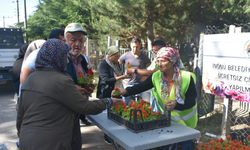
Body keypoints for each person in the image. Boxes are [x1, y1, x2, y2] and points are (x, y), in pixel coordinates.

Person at [16, 39, 122, 150]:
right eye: (64, 56)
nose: (67, 61)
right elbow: (85, 107)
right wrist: (109, 102)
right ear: (56, 57)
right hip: (51, 143)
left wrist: (22, 136)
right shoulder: (61, 80)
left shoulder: (30, 79)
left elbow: (20, 116)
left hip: (26, 140)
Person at [115, 47, 198, 150]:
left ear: (172, 61)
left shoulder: (187, 77)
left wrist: (177, 104)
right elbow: (141, 86)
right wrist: (125, 91)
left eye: (163, 61)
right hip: (168, 122)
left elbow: (192, 100)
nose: (159, 64)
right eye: (158, 61)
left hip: (187, 125)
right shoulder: (156, 76)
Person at [64, 23, 95, 149]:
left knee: (76, 143)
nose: (78, 44)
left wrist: (88, 87)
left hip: (76, 111)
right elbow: (50, 84)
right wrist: (72, 88)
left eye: (81, 40)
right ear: (64, 40)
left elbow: (84, 79)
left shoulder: (83, 60)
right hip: (62, 114)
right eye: (73, 40)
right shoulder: (60, 59)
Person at [97, 46, 132, 145]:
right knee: (107, 116)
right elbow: (106, 80)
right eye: (116, 56)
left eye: (118, 55)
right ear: (110, 55)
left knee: (116, 114)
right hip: (106, 92)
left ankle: (115, 135)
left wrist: (126, 76)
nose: (118, 58)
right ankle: (107, 137)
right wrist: (122, 77)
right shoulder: (103, 65)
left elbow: (119, 74)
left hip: (117, 91)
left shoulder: (116, 64)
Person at [118, 38, 151, 105]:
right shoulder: (125, 55)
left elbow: (151, 68)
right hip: (128, 83)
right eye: (133, 47)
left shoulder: (144, 57)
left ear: (140, 46)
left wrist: (146, 76)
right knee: (125, 104)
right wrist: (122, 77)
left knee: (139, 105)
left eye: (137, 47)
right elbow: (117, 66)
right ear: (130, 46)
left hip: (140, 84)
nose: (135, 49)